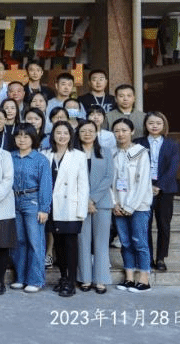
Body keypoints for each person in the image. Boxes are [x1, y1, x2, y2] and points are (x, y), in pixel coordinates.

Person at [44, 121, 90, 297]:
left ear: (71, 136)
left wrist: (81, 211)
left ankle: (71, 282)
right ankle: (63, 278)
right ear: (53, 135)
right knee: (58, 245)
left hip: (70, 208)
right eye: (58, 132)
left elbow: (83, 186)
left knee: (70, 246)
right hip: (52, 207)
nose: (62, 136)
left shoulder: (78, 156)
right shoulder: (46, 154)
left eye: (65, 133)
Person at [9, 123, 53, 293]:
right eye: (19, 136)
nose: (22, 139)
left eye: (26, 136)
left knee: (35, 242)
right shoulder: (10, 157)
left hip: (33, 202)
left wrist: (44, 208)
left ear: (33, 138)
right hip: (14, 201)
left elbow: (46, 185)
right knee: (18, 241)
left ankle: (35, 280)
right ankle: (20, 278)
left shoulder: (40, 159)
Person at [111, 118, 153, 292]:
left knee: (139, 242)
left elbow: (143, 182)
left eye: (124, 130)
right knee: (125, 242)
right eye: (117, 131)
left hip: (139, 206)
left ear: (132, 131)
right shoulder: (112, 153)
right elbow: (109, 182)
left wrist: (130, 206)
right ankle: (129, 278)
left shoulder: (141, 152)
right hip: (118, 207)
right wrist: (114, 204)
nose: (120, 134)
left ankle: (144, 279)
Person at [135, 111, 179, 272]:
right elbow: (133, 167)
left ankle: (160, 258)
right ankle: (146, 257)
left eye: (158, 123)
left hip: (165, 189)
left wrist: (159, 186)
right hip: (143, 189)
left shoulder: (172, 144)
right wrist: (147, 186)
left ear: (164, 125)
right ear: (145, 125)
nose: (154, 126)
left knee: (163, 225)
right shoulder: (137, 143)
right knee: (144, 225)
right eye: (151, 123)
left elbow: (173, 168)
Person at [75, 121, 114, 294]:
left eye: (91, 130)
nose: (87, 134)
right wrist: (85, 201)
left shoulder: (105, 151)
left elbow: (109, 177)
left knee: (101, 242)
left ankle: (101, 279)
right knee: (82, 241)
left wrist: (92, 199)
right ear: (78, 133)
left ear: (96, 133)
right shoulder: (74, 153)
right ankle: (85, 278)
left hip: (102, 203)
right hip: (79, 204)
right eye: (83, 131)